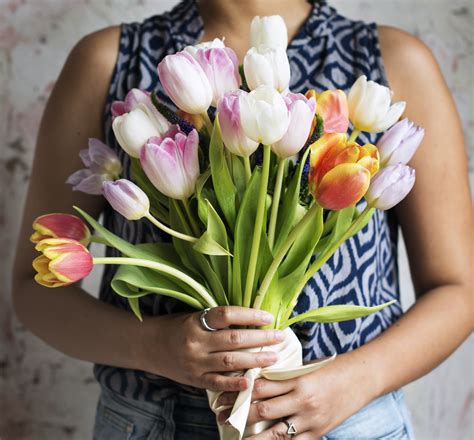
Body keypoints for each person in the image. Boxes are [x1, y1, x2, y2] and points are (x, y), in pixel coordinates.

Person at [12, 0, 473, 438]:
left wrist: (350, 383)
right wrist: (159, 346)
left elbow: (460, 290)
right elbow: (35, 292)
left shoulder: (390, 61)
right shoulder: (109, 60)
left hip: (350, 419)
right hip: (156, 421)